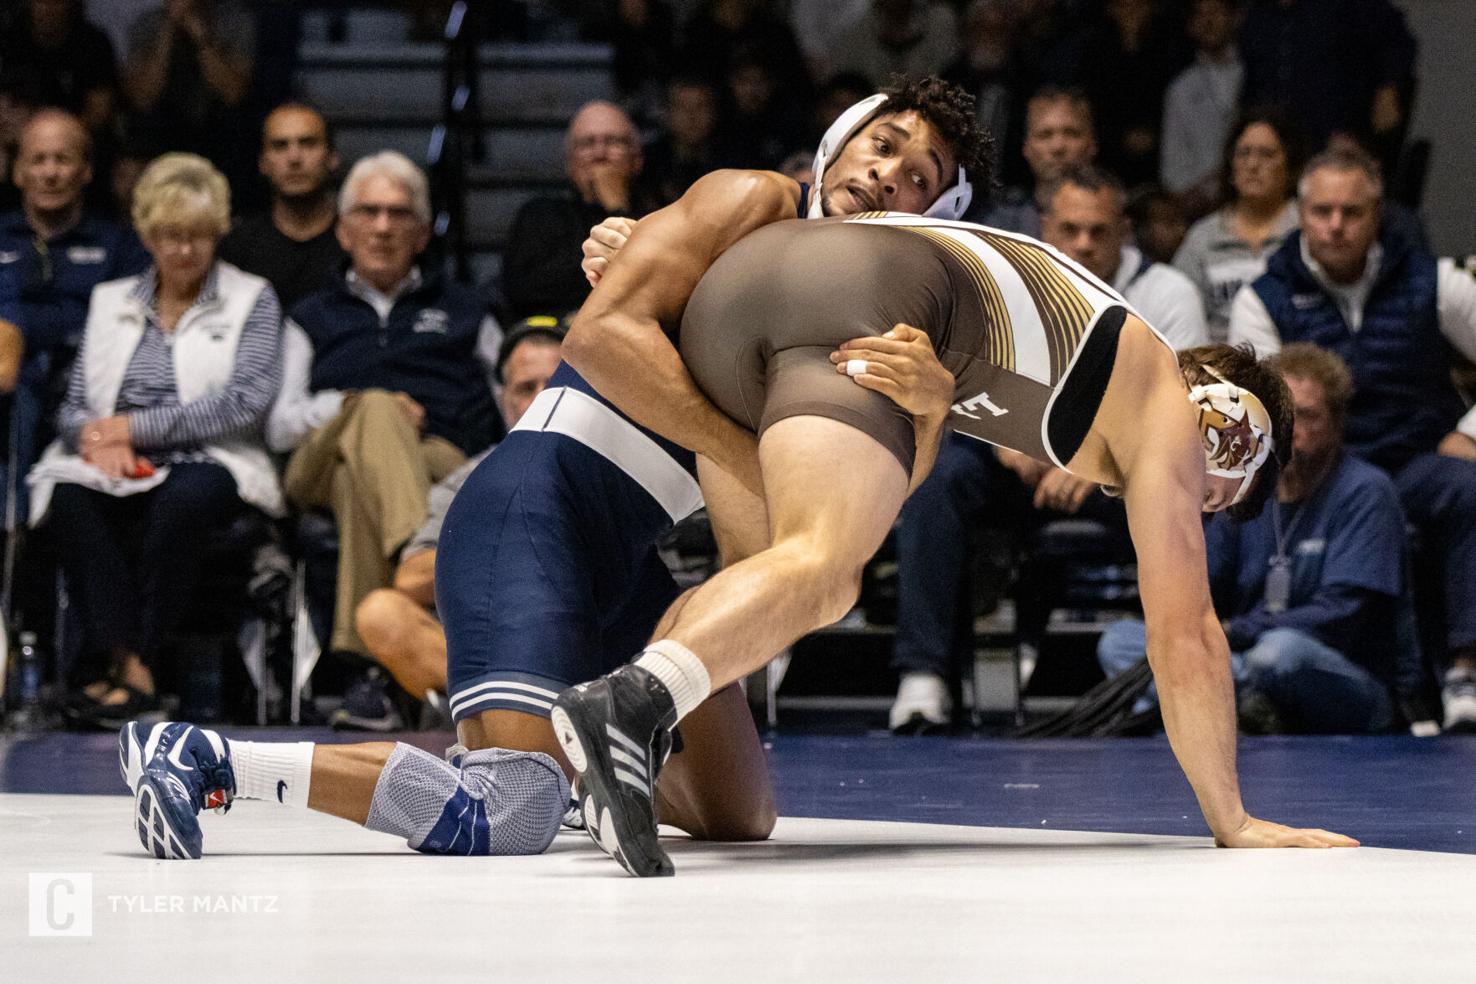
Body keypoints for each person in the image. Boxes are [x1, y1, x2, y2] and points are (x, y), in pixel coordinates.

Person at [116, 77, 986, 862]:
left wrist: (929, 411)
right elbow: (598, 337)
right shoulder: (756, 201)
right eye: (884, 145)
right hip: (531, 516)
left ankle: (578, 763)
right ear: (843, 138)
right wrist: (742, 437)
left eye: (919, 175)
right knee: (508, 812)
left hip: (630, 564)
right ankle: (209, 758)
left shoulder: (858, 321)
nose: (887, 176)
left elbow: (815, 536)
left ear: (936, 210)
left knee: (736, 815)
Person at [550, 203, 1360, 875]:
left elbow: (899, 473)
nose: (1200, 507)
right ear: (1229, 430)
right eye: (1218, 496)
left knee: (778, 572)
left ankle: (625, 737)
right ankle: (631, 701)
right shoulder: (1176, 415)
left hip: (737, 299)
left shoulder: (1077, 359)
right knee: (827, 573)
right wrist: (1234, 819)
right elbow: (1184, 634)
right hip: (851, 300)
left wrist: (934, 411)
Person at [886, 163, 1208, 734]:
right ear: (1046, 227)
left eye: (1099, 231)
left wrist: (1099, 465)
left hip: (1119, 475)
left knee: (1180, 492)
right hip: (1019, 461)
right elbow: (963, 377)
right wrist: (1006, 442)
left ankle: (1175, 662)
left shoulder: (1167, 292)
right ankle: (924, 675)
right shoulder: (1009, 281)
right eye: (1070, 229)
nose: (1083, 244)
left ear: (1124, 231)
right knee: (939, 478)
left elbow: (1181, 411)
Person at [27, 152, 283, 729]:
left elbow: (243, 402)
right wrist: (96, 439)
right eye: (170, 236)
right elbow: (72, 406)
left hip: (212, 456)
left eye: (197, 236)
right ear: (146, 236)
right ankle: (132, 669)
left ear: (218, 232)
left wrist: (134, 429)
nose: (184, 250)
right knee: (71, 499)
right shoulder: (110, 299)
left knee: (182, 501)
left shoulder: (252, 298)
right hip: (110, 458)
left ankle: (129, 671)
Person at [1229, 148, 1476, 733]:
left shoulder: (1435, 282)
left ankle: (1466, 668)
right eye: (1321, 211)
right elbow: (1261, 410)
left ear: (1378, 215)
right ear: (1299, 215)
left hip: (1417, 461)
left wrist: (1468, 432)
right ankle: (1250, 671)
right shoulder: (1261, 298)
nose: (1335, 225)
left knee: (1471, 488)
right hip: (1318, 476)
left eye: (1351, 211)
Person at [1097, 343, 1404, 734]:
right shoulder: (1249, 483)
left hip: (1337, 671)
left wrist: (1239, 632)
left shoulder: (1365, 491)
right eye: (1285, 417)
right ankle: (1239, 712)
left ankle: (1205, 712)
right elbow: (1203, 583)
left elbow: (1344, 613)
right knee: (1122, 641)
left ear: (1337, 423)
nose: (1293, 432)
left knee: (1278, 654)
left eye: (1307, 417)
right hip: (1246, 658)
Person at [270, 150, 501, 662]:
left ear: (422, 233)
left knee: (360, 482)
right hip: (316, 462)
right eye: (367, 213)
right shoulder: (309, 315)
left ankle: (369, 669)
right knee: (375, 408)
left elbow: (513, 396)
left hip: (437, 456)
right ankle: (417, 565)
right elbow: (280, 427)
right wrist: (355, 406)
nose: (382, 227)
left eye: (399, 214)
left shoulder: (466, 310)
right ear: (343, 230)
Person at [351, 317, 564, 719]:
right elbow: (411, 577)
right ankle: (525, 711)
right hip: (499, 645)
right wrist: (515, 551)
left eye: (553, 385)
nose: (541, 399)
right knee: (381, 613)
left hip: (593, 642)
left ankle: (512, 713)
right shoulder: (468, 481)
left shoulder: (615, 463)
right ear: (505, 402)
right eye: (525, 388)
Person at [0, 109, 149, 523]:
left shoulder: (121, 245)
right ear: (18, 172)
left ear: (85, 171)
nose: (50, 173)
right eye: (38, 160)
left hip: (91, 389)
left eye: (62, 160)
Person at [501, 101, 653, 320]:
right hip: (554, 335)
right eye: (587, 144)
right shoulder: (540, 215)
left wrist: (618, 208)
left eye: (613, 142)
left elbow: (651, 283)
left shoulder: (657, 216)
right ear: (570, 163)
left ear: (637, 160)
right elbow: (523, 291)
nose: (600, 154)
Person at [1174, 110, 1302, 342]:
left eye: (1267, 154)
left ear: (1290, 166)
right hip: (1217, 368)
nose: (1252, 164)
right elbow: (1177, 308)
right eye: (1243, 153)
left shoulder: (1308, 229)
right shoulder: (1203, 237)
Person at [122, 0, 258, 201]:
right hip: (161, 137)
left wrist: (200, 37)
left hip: (222, 138)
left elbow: (233, 93)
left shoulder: (235, 21)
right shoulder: (147, 24)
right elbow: (143, 98)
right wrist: (168, 31)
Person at [217, 103, 346, 311]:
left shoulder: (358, 243)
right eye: (280, 146)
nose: (294, 158)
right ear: (263, 163)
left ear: (332, 157)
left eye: (308, 143)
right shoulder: (234, 248)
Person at [1159, 0, 1242, 215]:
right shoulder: (1181, 88)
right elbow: (1172, 164)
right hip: (1197, 207)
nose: (1208, 21)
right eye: (1200, 14)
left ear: (1235, 17)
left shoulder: (1254, 77)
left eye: (1215, 11)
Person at [978, 87, 1097, 237]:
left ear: (1092, 144)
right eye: (1044, 135)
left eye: (1071, 133)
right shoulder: (994, 226)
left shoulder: (1119, 216)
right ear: (1026, 147)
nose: (1058, 147)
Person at [0, 0, 121, 132]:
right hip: (17, 134)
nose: (48, 8)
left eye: (56, 2)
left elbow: (99, 111)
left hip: (79, 139)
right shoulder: (9, 42)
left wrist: (55, 134)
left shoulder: (94, 44)